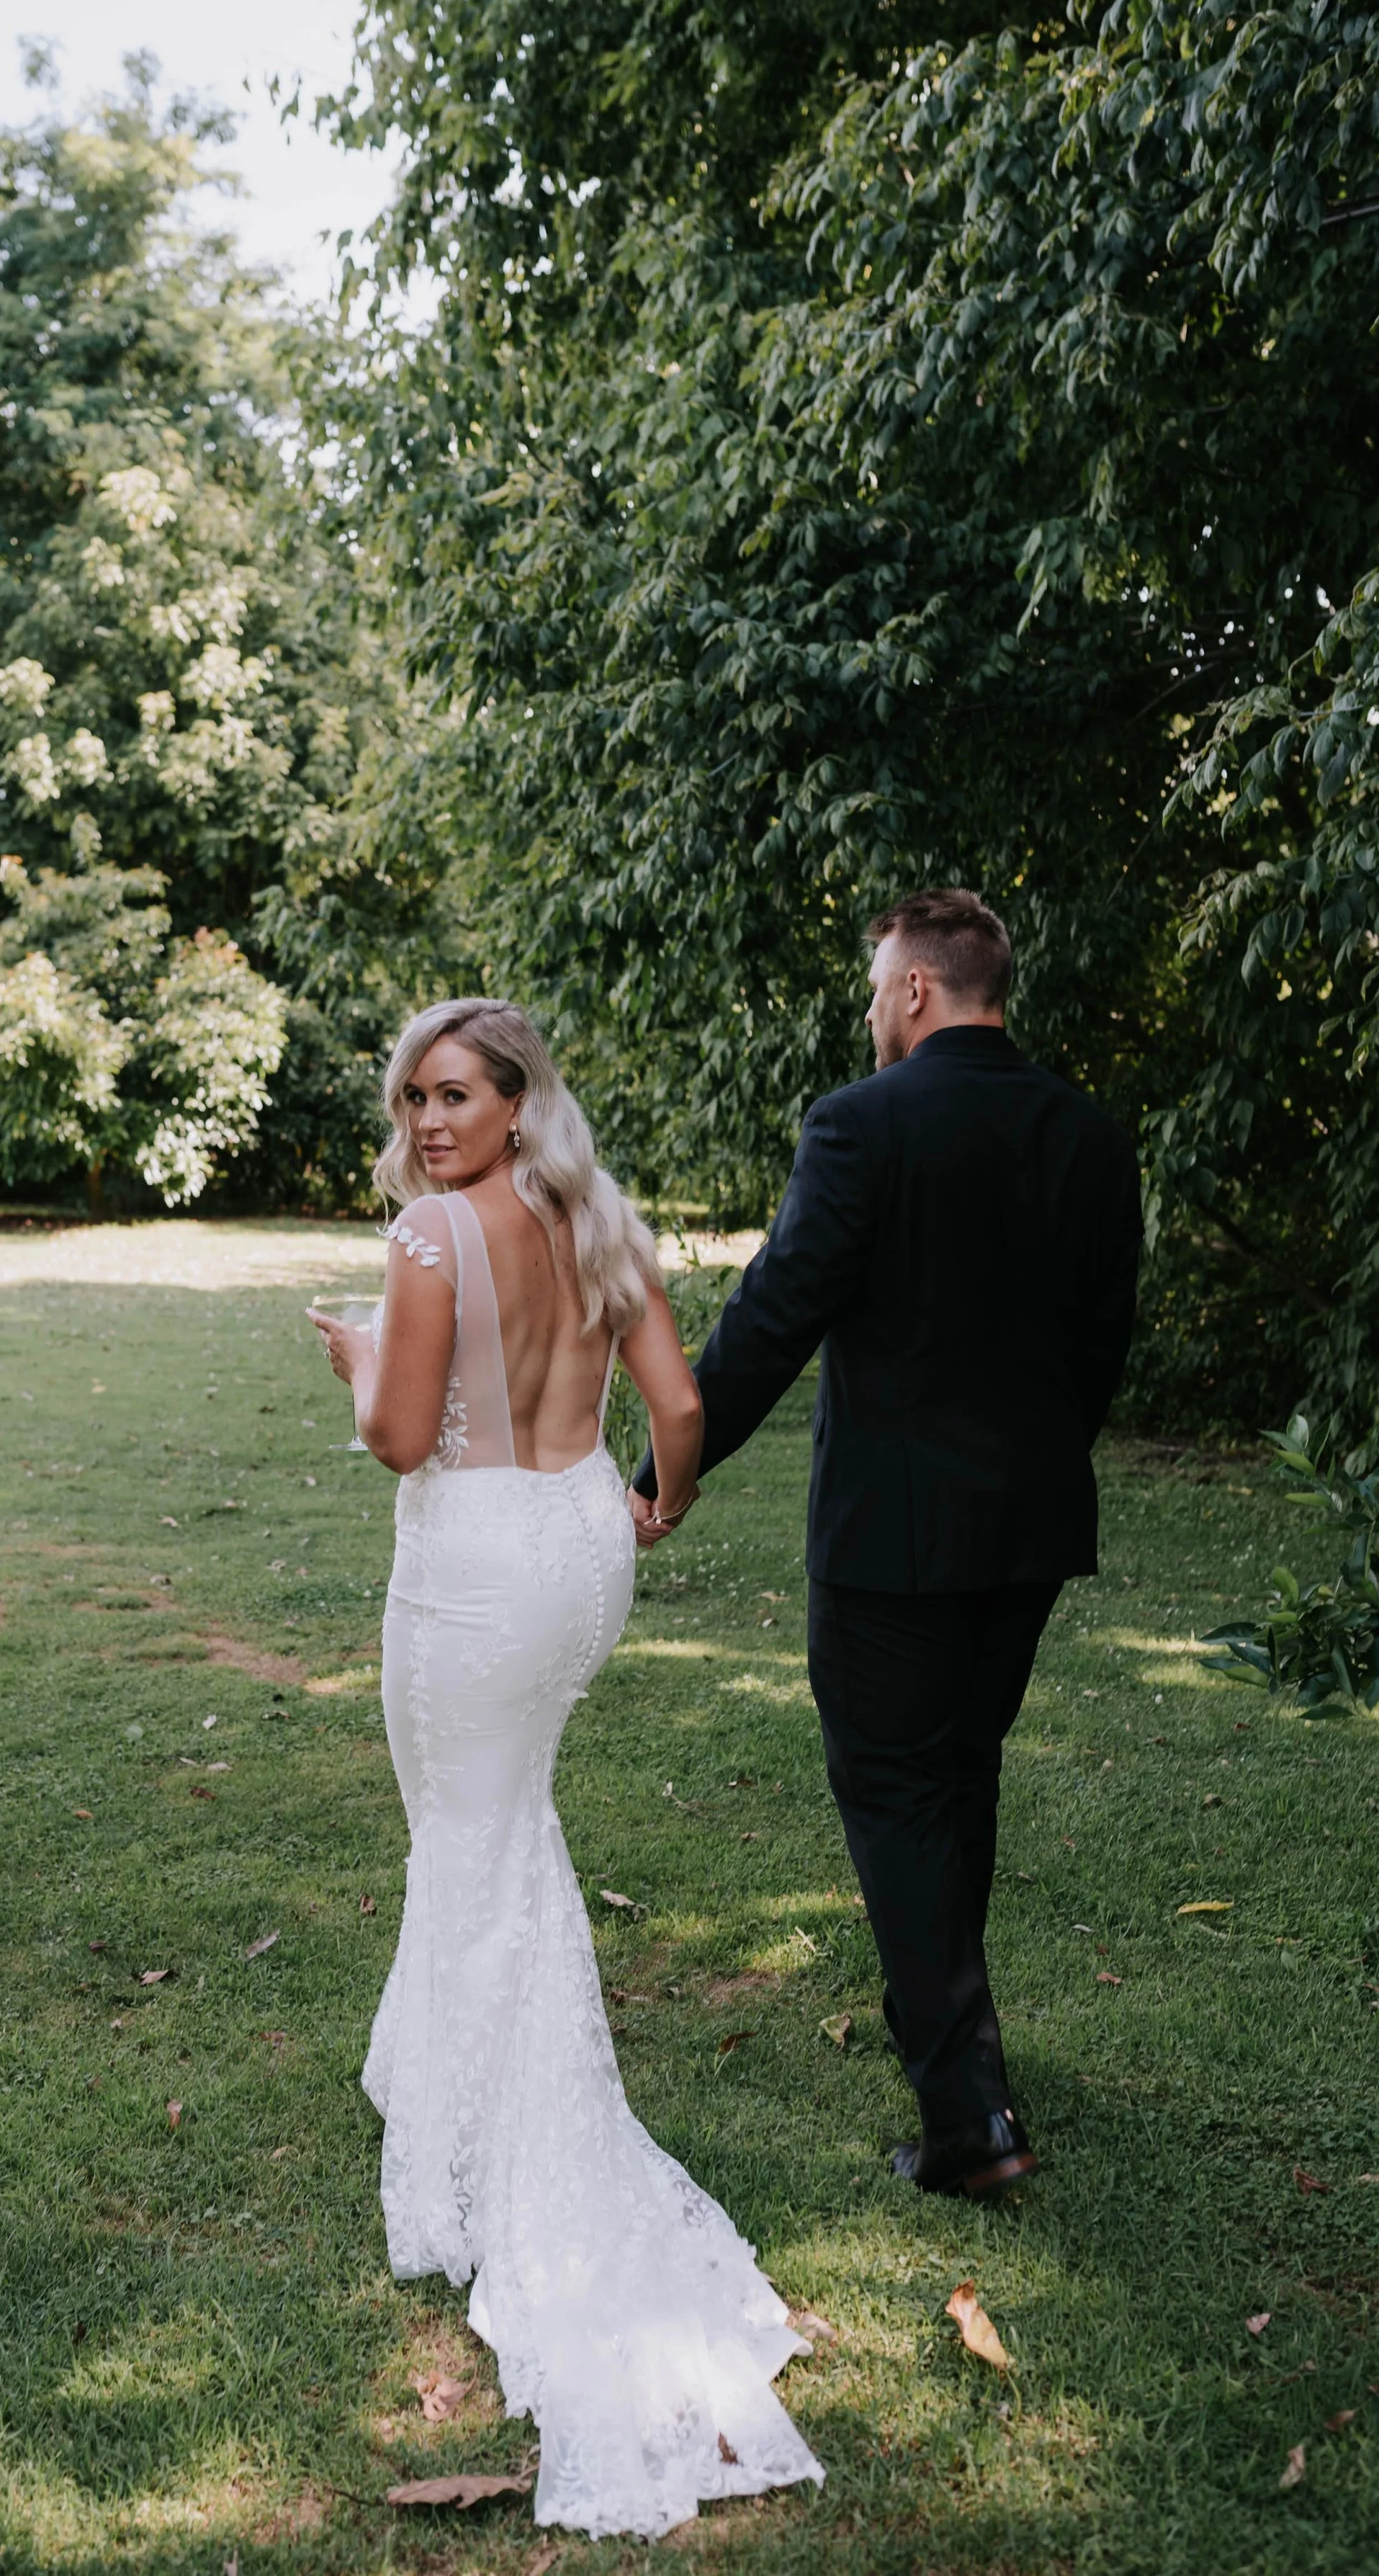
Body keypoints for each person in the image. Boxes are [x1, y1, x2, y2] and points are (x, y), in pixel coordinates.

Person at [310, 998, 823, 2540]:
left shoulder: (419, 1247)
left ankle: (479, 2159)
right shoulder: (602, 1220)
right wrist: (656, 1504)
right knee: (499, 1824)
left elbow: (401, 1439)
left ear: (520, 1100)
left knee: (466, 1838)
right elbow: (677, 1407)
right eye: (410, 1103)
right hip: (583, 1542)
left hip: (472, 1567)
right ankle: (441, 2084)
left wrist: (349, 1352)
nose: (425, 1127)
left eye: (453, 1096)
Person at [632, 889, 1142, 2198]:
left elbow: (775, 1314)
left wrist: (667, 1471)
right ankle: (956, 2041)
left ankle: (969, 2118)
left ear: (918, 989)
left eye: (874, 989)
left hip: (890, 1540)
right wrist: (1033, 1465)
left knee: (896, 1791)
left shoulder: (862, 1124)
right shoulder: (1091, 1137)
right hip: (1030, 1527)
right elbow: (1100, 1348)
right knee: (956, 1778)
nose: (869, 1012)